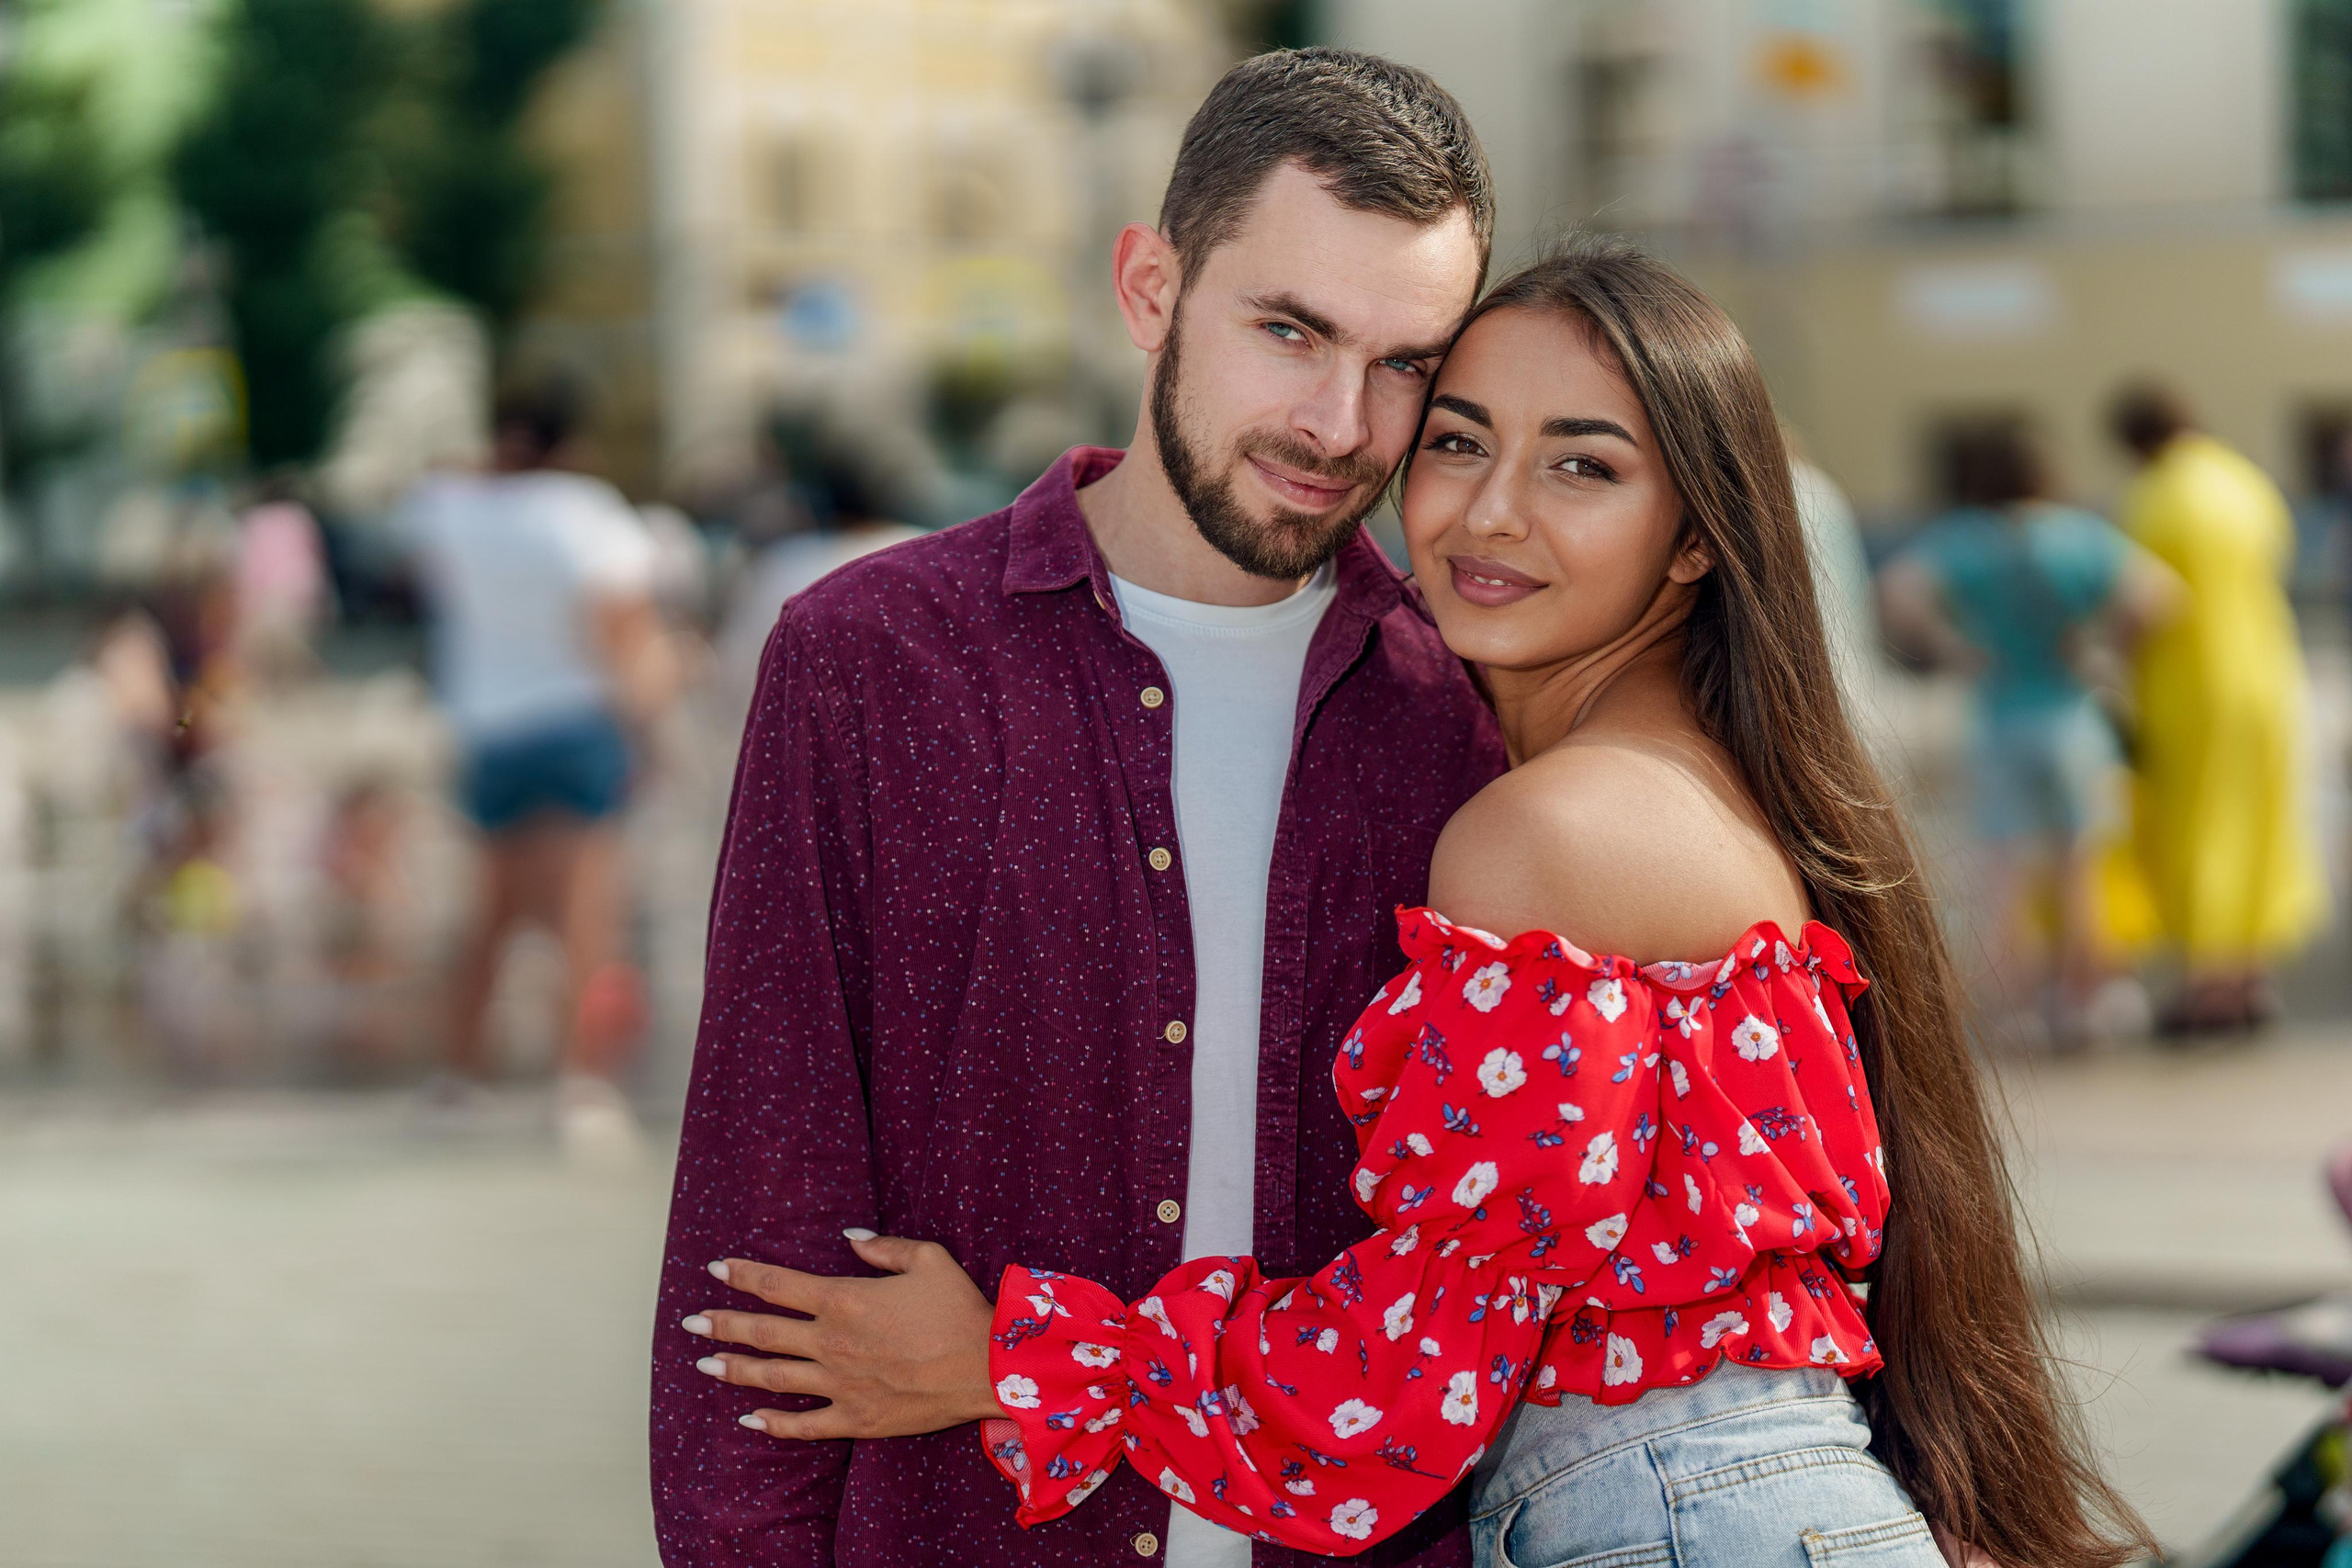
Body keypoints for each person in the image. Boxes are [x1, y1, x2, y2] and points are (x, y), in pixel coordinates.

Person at [681, 243, 2155, 1568]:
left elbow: (1405, 1391)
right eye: (1457, 439)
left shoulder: (1542, 835)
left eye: (1583, 466)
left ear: (1698, 535)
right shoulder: (1689, 786)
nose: (1490, 510)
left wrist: (1011, 1355)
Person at [648, 48, 1501, 1568]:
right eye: (1288, 329)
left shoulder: (1462, 717)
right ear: (1152, 286)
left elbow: (1488, 1288)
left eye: (1405, 366)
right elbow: (763, 1212)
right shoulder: (873, 659)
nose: (1338, 419)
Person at [400, 383, 677, 1158]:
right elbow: (621, 632)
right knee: (585, 919)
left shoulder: (451, 505)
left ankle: (456, 1078)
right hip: (575, 721)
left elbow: (416, 497)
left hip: (486, 729)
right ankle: (583, 1087)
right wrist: (654, 728)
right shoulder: (587, 514)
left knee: (486, 916)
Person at [1879, 424, 2179, 1045]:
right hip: (2072, 717)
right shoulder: (2078, 535)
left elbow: (1897, 590)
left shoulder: (1965, 540)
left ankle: (2013, 1012)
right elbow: (2162, 596)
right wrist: (2103, 647)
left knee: (2002, 874)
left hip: (1997, 717)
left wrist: (1951, 645)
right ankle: (2082, 1002)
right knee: (2082, 869)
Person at [2108, 384, 2327, 1033]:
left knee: (2200, 828)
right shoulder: (2247, 482)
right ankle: (2252, 978)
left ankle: (2207, 988)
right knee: (2262, 820)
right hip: (2268, 673)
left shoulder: (2156, 495)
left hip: (2190, 685)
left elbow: (2144, 598)